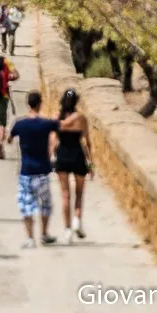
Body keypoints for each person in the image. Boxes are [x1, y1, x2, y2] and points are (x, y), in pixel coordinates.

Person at [8, 91, 61, 248]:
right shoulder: (46, 124)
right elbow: (60, 126)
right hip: (42, 171)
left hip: (25, 172)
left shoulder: (20, 124)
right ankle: (44, 234)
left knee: (26, 205)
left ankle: (30, 238)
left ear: (28, 104)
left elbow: (9, 139)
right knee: (45, 204)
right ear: (40, 104)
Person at [54, 88, 91, 241]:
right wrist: (91, 163)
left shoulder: (57, 118)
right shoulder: (81, 118)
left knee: (65, 194)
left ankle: (67, 229)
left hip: (62, 155)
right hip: (77, 155)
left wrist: (51, 155)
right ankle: (77, 220)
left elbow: (54, 139)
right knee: (79, 193)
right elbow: (87, 142)